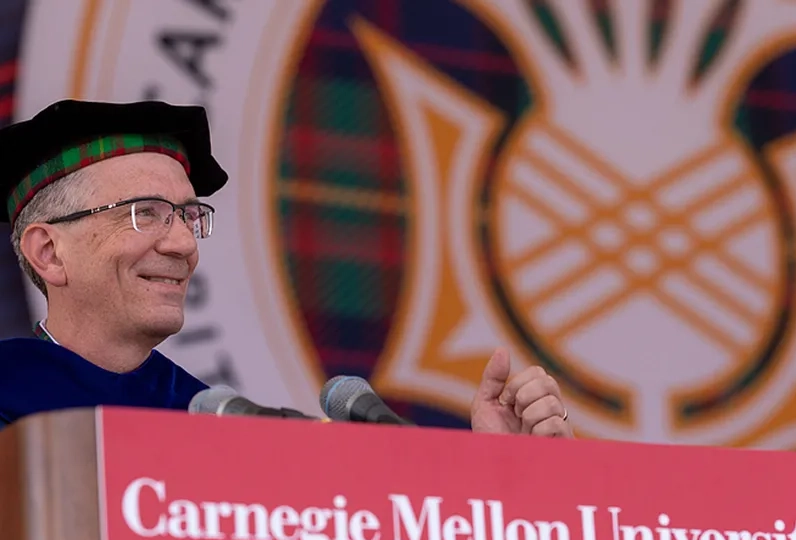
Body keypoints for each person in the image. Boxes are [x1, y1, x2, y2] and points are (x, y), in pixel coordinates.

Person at [0, 99, 573, 439]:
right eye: (146, 214)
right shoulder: (11, 398)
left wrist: (503, 477)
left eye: (187, 215)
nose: (181, 243)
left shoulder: (217, 420)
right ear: (49, 252)